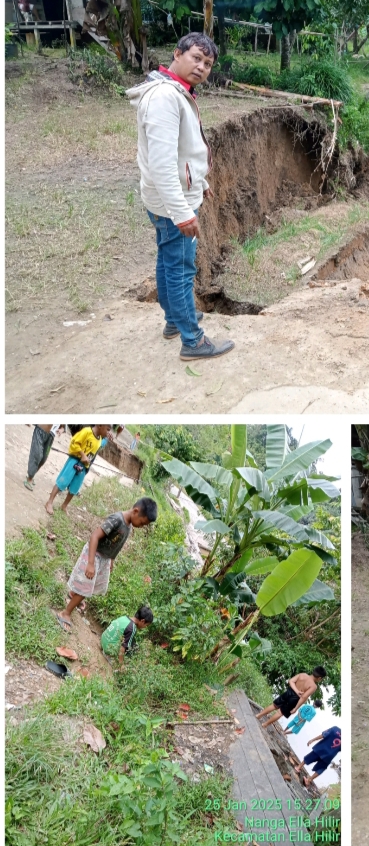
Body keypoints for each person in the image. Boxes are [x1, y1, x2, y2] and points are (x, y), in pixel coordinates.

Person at [126, 32, 235, 361]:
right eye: (196, 58)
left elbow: (181, 152)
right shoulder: (164, 98)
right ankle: (193, 340)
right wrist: (182, 212)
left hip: (168, 199)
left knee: (167, 259)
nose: (202, 67)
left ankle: (175, 320)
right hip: (172, 204)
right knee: (180, 269)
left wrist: (199, 183)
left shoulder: (174, 91)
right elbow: (161, 165)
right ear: (177, 54)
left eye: (208, 63)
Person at [55, 497, 158, 632]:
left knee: (90, 584)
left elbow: (118, 544)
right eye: (142, 522)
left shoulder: (128, 525)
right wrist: (91, 563)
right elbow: (95, 537)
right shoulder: (117, 520)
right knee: (87, 586)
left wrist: (112, 559)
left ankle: (74, 594)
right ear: (136, 511)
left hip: (104, 558)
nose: (142, 526)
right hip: (94, 555)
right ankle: (65, 613)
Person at [45, 425, 112, 515]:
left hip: (84, 466)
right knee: (63, 481)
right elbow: (74, 442)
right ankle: (49, 502)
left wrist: (107, 439)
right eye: (107, 430)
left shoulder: (100, 438)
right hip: (75, 460)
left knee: (75, 487)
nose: (108, 432)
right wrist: (82, 455)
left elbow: (101, 444)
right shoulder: (86, 431)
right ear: (100, 426)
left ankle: (64, 506)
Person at [255, 667, 327, 729]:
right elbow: (304, 697)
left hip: (289, 692)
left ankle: (259, 715)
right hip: (295, 699)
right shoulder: (313, 686)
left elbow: (291, 681)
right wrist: (296, 708)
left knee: (274, 705)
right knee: (280, 712)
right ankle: (265, 724)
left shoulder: (303, 675)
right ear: (319, 678)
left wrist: (296, 690)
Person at [102, 605, 154, 671]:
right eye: (146, 625)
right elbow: (122, 648)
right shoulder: (132, 628)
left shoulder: (124, 618)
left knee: (132, 643)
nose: (145, 627)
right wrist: (121, 665)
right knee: (132, 649)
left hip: (104, 640)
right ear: (143, 621)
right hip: (108, 650)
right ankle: (115, 662)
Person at [24, 423, 63, 490]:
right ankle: (29, 478)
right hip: (41, 429)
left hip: (51, 436)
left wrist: (61, 429)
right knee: (37, 455)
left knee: (43, 459)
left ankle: (31, 474)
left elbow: (63, 426)